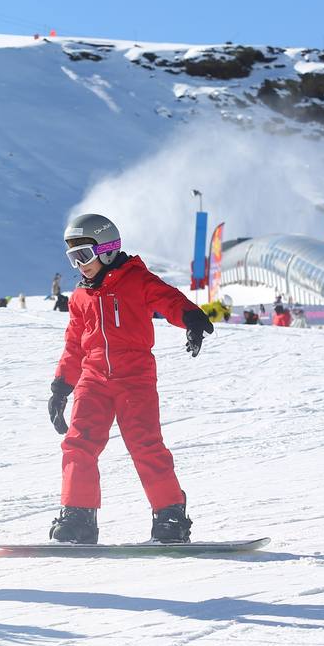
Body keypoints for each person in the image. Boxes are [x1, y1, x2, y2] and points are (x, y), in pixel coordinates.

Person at [45, 213, 213, 545]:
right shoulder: (80, 297)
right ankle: (78, 516)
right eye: (72, 258)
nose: (80, 266)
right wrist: (62, 386)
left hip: (135, 378)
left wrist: (191, 317)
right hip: (93, 379)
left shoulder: (136, 280)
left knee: (146, 445)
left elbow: (168, 299)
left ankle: (170, 516)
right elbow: (74, 345)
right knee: (78, 444)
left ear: (107, 250)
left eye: (84, 256)